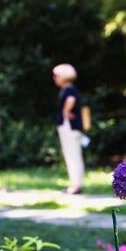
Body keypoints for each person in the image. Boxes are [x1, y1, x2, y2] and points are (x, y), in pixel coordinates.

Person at [53, 63, 85, 194]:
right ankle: (76, 184)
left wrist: (66, 112)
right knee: (75, 155)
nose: (54, 78)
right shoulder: (71, 89)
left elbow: (70, 100)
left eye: (56, 76)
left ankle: (75, 185)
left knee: (71, 156)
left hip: (69, 126)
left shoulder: (68, 90)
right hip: (73, 127)